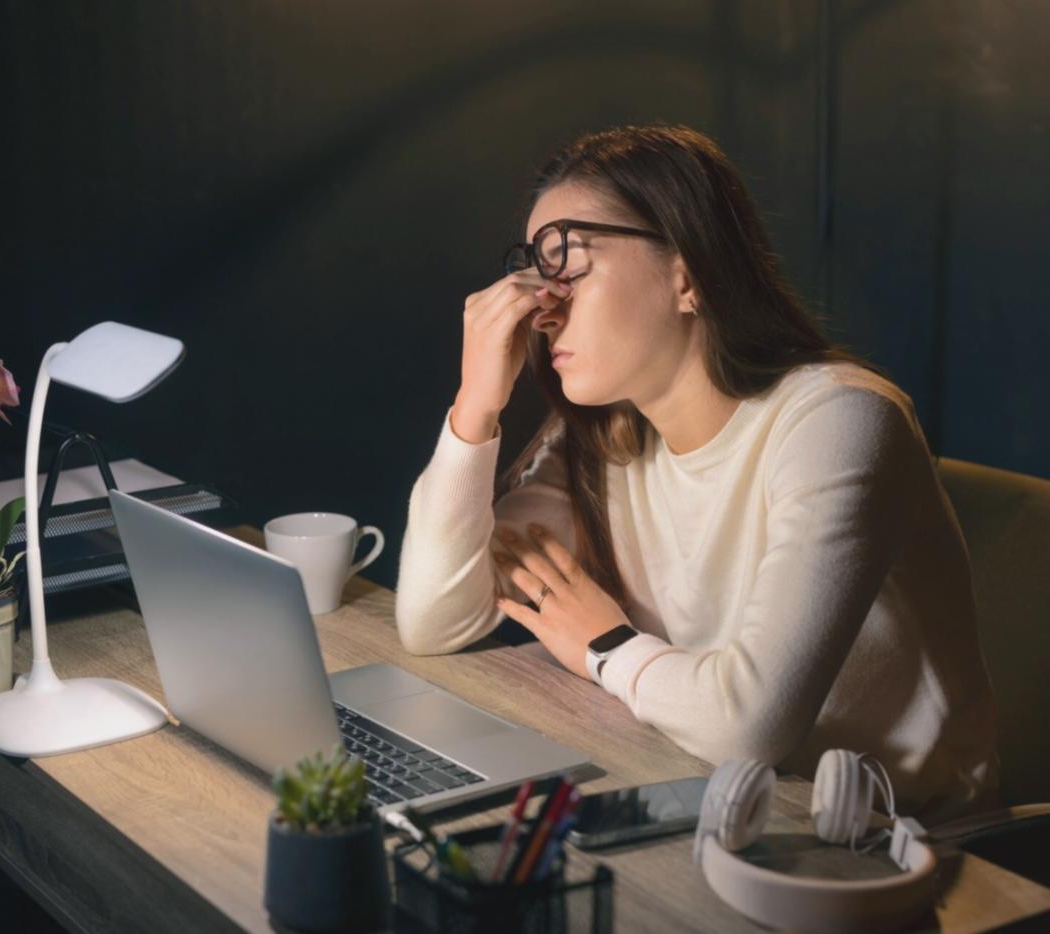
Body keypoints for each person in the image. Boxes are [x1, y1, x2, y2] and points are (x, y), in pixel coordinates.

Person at [394, 124, 999, 823]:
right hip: (704, 797)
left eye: (566, 264)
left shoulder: (839, 421)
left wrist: (607, 646)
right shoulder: (599, 434)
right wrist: (475, 405)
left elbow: (748, 726)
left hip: (893, 845)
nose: (541, 304)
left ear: (686, 273)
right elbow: (435, 620)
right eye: (533, 270)